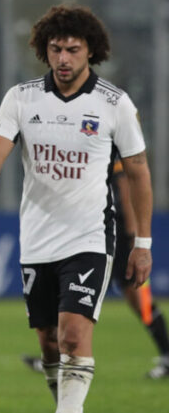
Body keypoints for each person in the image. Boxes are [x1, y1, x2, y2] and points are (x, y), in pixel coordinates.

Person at [0, 4, 153, 413]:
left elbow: (140, 174)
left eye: (73, 49)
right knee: (50, 342)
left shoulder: (114, 104)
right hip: (37, 237)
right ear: (44, 50)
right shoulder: (22, 98)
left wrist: (142, 242)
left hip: (89, 235)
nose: (63, 59)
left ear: (91, 51)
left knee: (73, 335)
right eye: (55, 49)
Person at [22, 157, 169, 379]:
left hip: (111, 231)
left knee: (138, 299)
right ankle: (58, 357)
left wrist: (132, 236)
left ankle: (167, 355)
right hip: (94, 228)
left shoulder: (114, 138)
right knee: (77, 298)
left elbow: (125, 186)